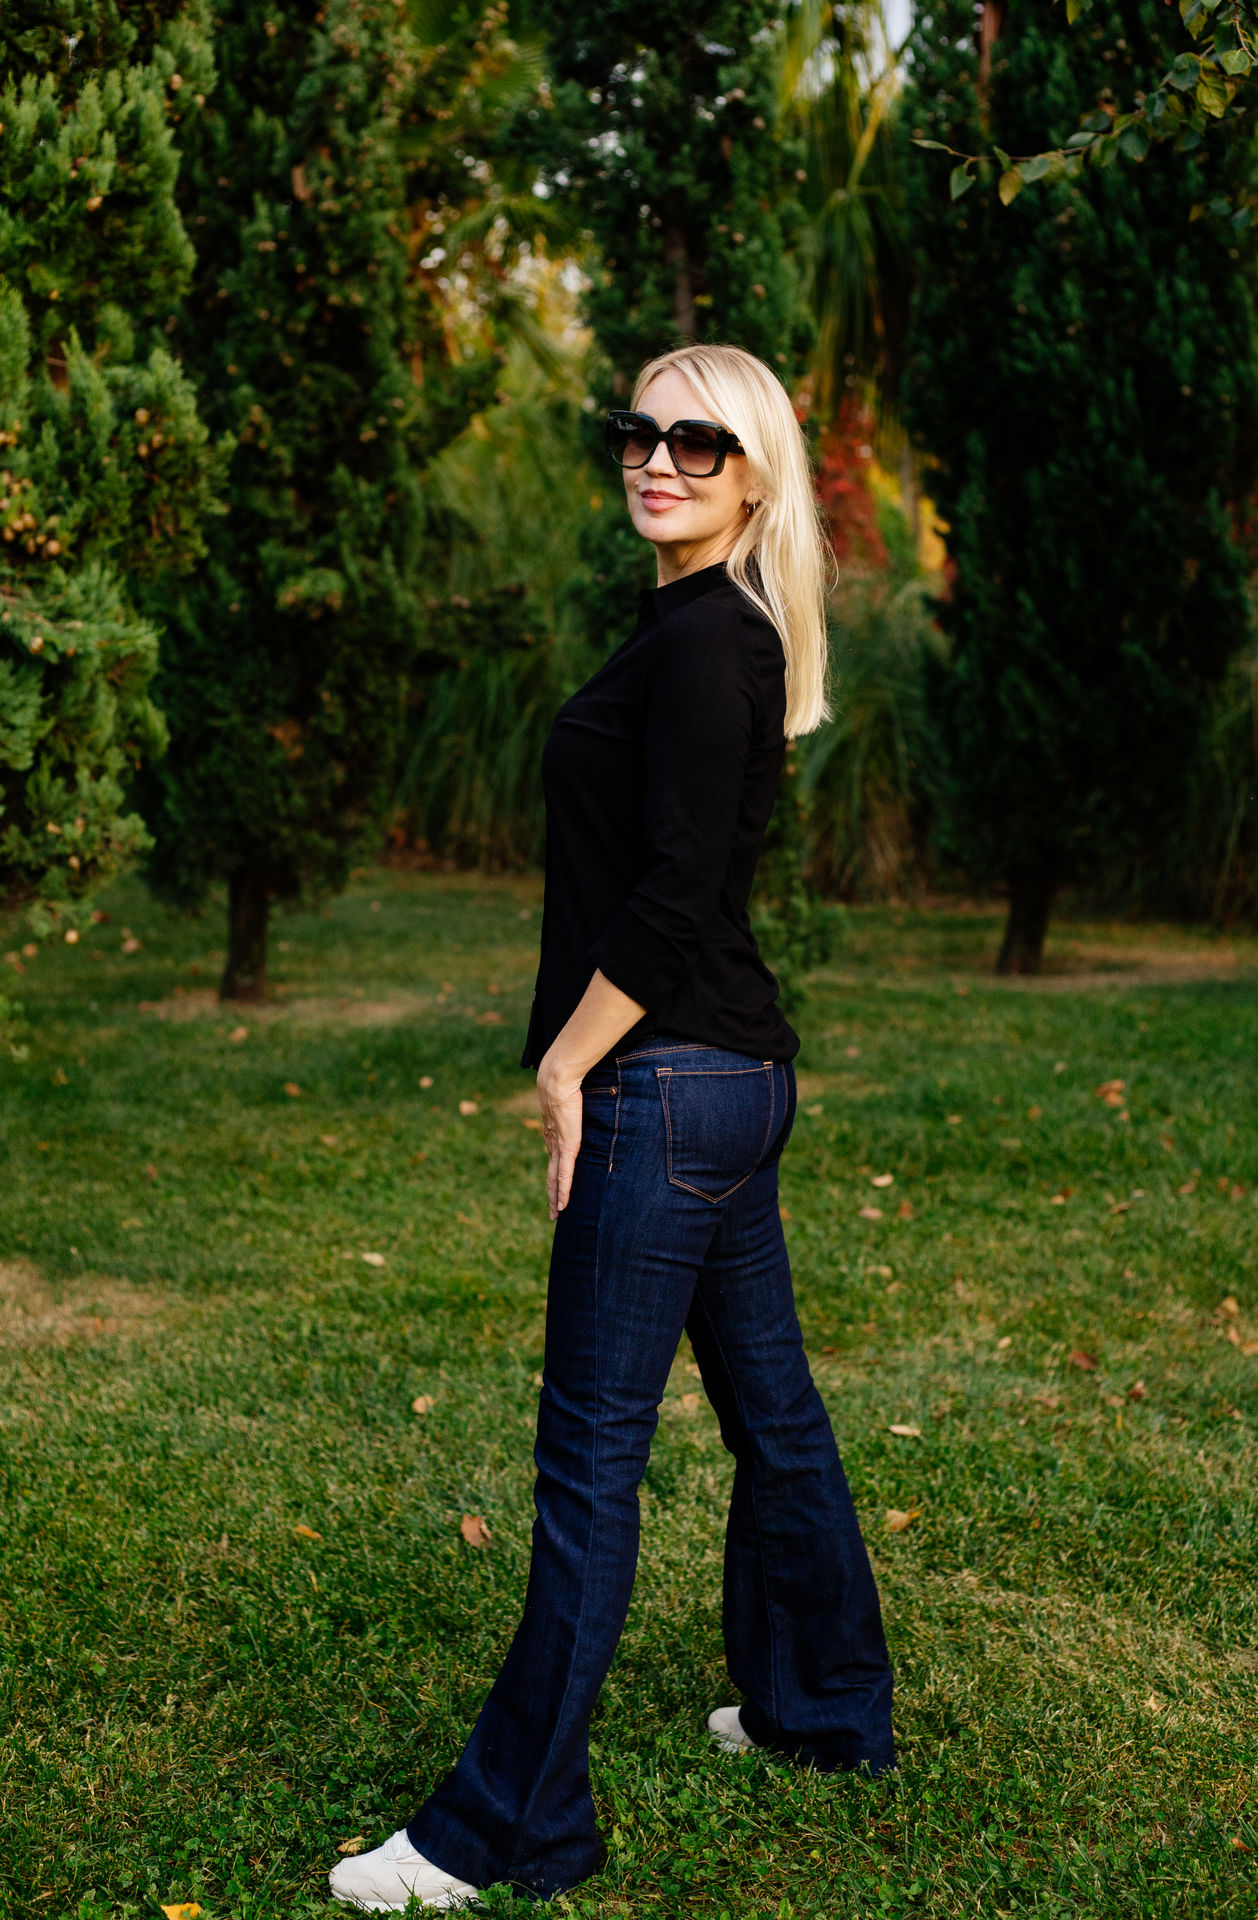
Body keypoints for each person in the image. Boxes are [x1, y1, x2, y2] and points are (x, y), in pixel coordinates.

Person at [329, 343, 895, 1914]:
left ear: (753, 476)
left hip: (665, 1088)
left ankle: (504, 1830)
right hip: (727, 1084)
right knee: (772, 1418)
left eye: (696, 442)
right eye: (638, 431)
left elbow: (670, 899)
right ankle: (824, 1710)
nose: (656, 459)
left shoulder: (710, 645)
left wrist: (567, 1067)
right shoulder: (698, 627)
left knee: (589, 1462)